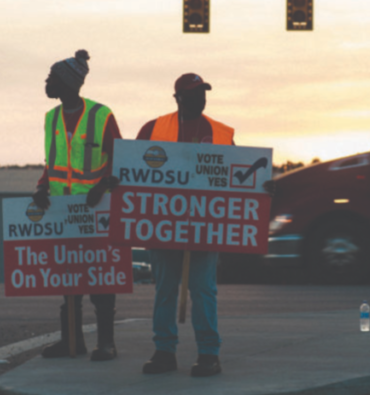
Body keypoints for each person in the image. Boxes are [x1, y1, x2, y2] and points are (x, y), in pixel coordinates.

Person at [139, 73, 233, 378]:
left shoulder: (219, 132)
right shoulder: (153, 129)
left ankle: (209, 354)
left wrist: (261, 189)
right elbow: (132, 170)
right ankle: (164, 351)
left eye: (203, 92)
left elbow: (237, 177)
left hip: (204, 228)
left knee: (203, 290)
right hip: (162, 227)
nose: (201, 98)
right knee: (165, 290)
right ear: (178, 98)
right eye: (194, 94)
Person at [33, 50, 122, 361]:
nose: (47, 81)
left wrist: (102, 187)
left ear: (68, 83)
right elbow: (53, 163)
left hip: (96, 212)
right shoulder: (51, 118)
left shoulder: (101, 115)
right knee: (69, 280)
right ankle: (72, 342)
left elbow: (119, 160)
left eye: (52, 77)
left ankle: (106, 344)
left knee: (100, 279)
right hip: (62, 213)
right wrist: (42, 187)